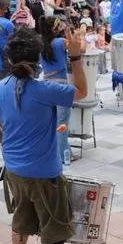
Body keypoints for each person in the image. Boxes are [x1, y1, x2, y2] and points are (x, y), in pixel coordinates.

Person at [0, 26, 86, 244]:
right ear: (37, 60)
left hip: (14, 170)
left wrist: (12, 146)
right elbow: (81, 90)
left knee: (22, 219)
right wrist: (76, 58)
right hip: (44, 173)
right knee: (52, 229)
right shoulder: (44, 90)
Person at [38, 16, 72, 164]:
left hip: (46, 83)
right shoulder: (60, 42)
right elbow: (78, 48)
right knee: (62, 122)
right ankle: (62, 154)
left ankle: (57, 150)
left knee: (50, 121)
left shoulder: (41, 44)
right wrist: (69, 33)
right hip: (61, 84)